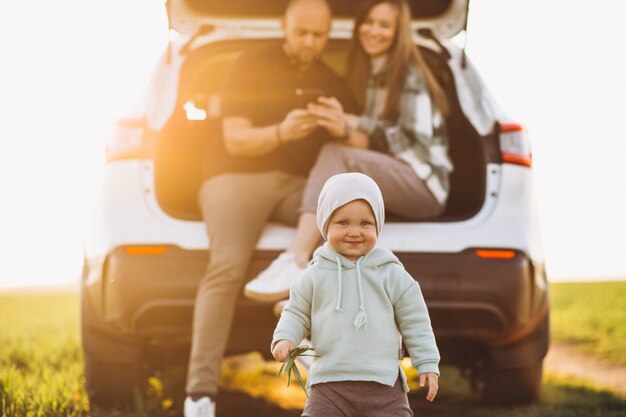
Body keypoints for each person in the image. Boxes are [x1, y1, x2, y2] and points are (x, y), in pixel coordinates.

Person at [184, 1, 360, 416]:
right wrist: (283, 131)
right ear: (284, 25)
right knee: (226, 266)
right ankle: (199, 394)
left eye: (319, 35)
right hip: (233, 179)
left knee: (337, 238)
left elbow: (358, 148)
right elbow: (235, 140)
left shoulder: (332, 81)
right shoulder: (249, 64)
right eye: (302, 32)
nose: (310, 42)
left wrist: (342, 126)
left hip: (296, 187)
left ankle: (307, 344)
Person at [244, 0, 453, 303]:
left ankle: (296, 257)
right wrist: (335, 121)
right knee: (341, 175)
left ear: (398, 32)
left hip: (423, 184)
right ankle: (309, 298)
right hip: (392, 178)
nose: (373, 31)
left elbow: (414, 144)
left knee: (336, 153)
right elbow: (363, 141)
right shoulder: (367, 73)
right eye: (368, 23)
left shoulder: (408, 73)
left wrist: (354, 123)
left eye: (384, 25)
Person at [272, 172, 440, 417]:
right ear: (325, 224)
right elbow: (296, 312)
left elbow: (416, 321)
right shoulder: (314, 274)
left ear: (378, 226)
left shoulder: (391, 273)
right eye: (343, 223)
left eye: (365, 223)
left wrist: (427, 362)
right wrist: (285, 338)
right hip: (328, 386)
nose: (354, 231)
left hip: (384, 386)